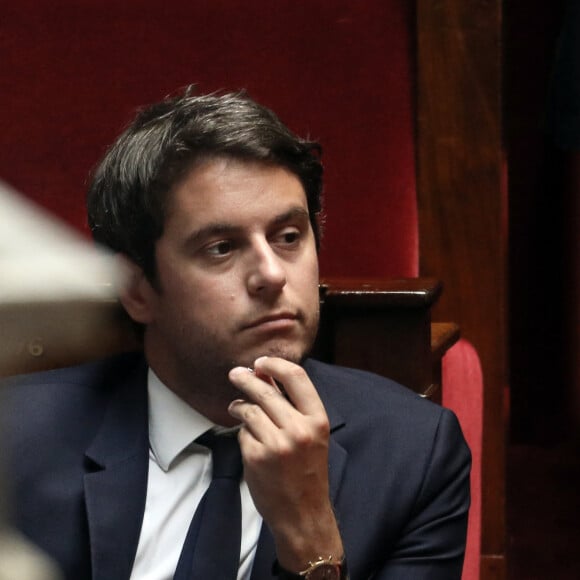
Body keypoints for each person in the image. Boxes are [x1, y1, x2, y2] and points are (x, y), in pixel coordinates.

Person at [0, 87, 471, 580]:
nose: (271, 274)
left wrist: (311, 541)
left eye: (289, 237)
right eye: (221, 248)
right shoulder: (18, 434)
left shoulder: (415, 455)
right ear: (138, 290)